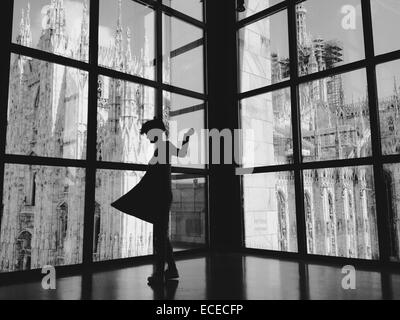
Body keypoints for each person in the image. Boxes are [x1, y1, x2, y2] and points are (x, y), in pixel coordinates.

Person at [111, 118, 194, 284]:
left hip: (161, 197)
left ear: (156, 132)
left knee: (159, 237)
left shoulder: (164, 146)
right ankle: (171, 269)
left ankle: (159, 274)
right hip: (161, 196)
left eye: (149, 134)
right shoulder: (161, 148)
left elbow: (181, 155)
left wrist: (187, 137)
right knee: (162, 236)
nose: (148, 138)